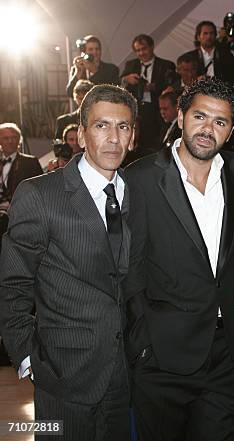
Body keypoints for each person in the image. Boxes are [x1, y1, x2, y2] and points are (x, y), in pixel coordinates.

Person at [124, 78, 234, 441]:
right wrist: (142, 347)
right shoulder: (141, 178)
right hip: (161, 358)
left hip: (222, 354)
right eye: (200, 116)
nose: (207, 129)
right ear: (181, 117)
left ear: (231, 131)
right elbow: (127, 271)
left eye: (220, 122)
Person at [0, 84, 137, 440]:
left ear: (133, 136)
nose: (113, 138)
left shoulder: (139, 193)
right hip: (61, 375)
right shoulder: (40, 195)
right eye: (101, 125)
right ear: (80, 133)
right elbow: (11, 283)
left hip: (123, 376)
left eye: (122, 127)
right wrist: (28, 356)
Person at [121, 34, 176, 147]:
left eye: (144, 49)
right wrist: (126, 79)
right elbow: (119, 83)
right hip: (137, 111)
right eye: (138, 50)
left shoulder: (165, 65)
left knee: (157, 142)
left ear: (152, 47)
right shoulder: (130, 65)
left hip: (157, 110)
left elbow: (171, 86)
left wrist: (153, 87)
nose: (141, 53)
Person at [180, 21, 234, 85]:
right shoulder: (190, 57)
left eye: (211, 33)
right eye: (205, 33)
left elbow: (232, 79)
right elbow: (185, 81)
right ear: (198, 37)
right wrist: (196, 81)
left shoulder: (226, 55)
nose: (209, 37)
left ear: (215, 36)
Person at [0, 123, 43, 203]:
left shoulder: (30, 162)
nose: (10, 141)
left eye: (14, 138)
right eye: (6, 138)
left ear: (19, 140)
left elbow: (40, 190)